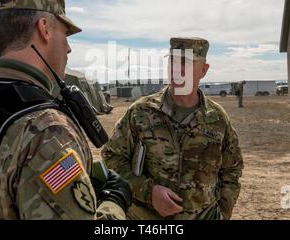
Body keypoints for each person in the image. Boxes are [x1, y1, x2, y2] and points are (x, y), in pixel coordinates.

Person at [0, 0, 131, 220]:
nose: (69, 48)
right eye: (65, 34)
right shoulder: (47, 131)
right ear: (45, 28)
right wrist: (114, 202)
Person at [102, 37, 243, 220]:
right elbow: (111, 158)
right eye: (173, 61)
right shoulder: (141, 113)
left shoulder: (217, 119)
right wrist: (149, 192)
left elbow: (232, 170)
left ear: (203, 70)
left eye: (187, 62)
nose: (178, 69)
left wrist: (223, 213)